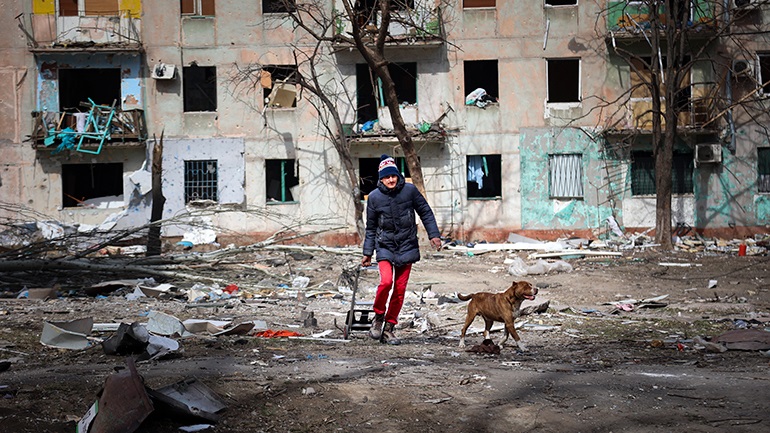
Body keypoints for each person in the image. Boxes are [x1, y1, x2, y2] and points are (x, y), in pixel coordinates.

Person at [362, 155, 442, 344]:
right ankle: (378, 317)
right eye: (386, 177)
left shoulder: (410, 191)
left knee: (399, 289)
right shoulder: (374, 197)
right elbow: (371, 227)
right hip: (385, 246)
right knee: (386, 282)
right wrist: (367, 253)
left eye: (394, 176)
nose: (391, 180)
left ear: (398, 176)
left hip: (407, 245)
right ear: (381, 179)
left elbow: (425, 212)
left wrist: (434, 235)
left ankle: (389, 327)